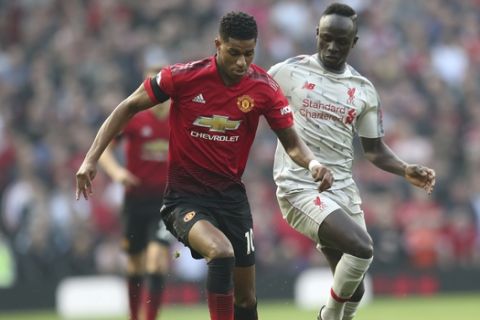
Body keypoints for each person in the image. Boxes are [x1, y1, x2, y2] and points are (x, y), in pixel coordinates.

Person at [76, 11, 334, 320]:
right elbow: (129, 105)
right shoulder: (183, 77)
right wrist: (91, 159)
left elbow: (292, 143)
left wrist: (314, 163)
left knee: (246, 298)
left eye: (249, 54)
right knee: (220, 253)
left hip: (232, 201)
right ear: (218, 44)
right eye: (234, 52)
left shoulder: (264, 88)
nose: (241, 62)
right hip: (184, 199)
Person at [268, 3, 436, 320]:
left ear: (354, 42)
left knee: (354, 288)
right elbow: (252, 107)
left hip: (343, 191)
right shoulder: (287, 72)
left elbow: (374, 150)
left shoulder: (363, 90)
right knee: (363, 247)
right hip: (299, 186)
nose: (332, 47)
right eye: (326, 38)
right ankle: (328, 317)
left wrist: (405, 169)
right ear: (317, 34)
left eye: (341, 41)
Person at [97, 64, 172, 320]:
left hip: (166, 202)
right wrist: (117, 173)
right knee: (135, 264)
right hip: (135, 201)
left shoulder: (181, 118)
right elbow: (104, 147)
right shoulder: (134, 116)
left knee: (157, 259)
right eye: (147, 85)